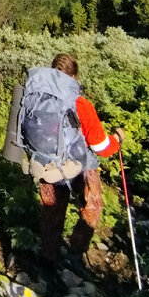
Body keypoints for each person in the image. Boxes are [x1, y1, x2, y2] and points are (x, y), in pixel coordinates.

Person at [35, 53, 124, 266]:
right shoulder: (81, 105)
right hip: (81, 166)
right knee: (92, 207)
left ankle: (48, 258)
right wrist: (117, 139)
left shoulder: (39, 100)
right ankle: (76, 252)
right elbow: (101, 148)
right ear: (75, 77)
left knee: (52, 210)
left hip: (48, 165)